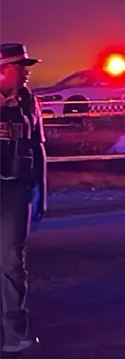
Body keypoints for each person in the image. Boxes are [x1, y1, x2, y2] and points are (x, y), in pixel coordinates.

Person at [0, 43, 46, 354]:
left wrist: (42, 191)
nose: (26, 72)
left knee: (10, 260)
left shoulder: (30, 103)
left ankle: (14, 334)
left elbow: (39, 147)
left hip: (16, 190)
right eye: (20, 66)